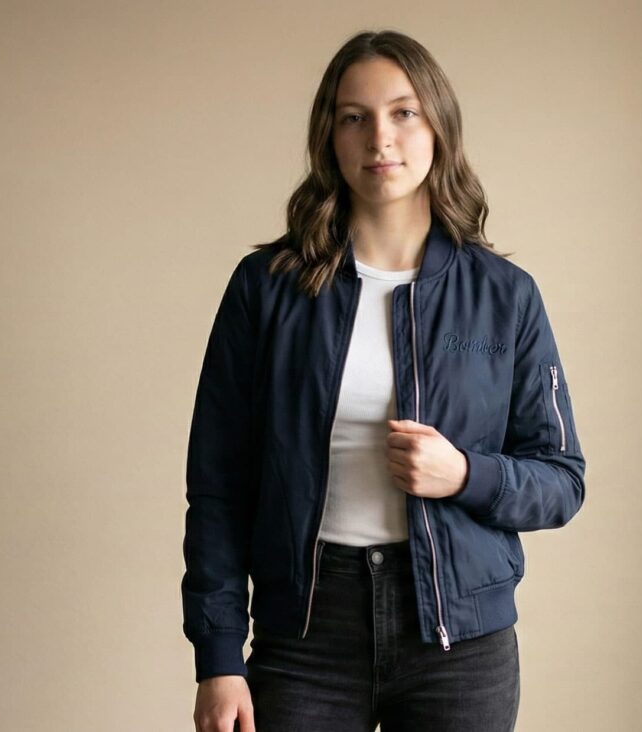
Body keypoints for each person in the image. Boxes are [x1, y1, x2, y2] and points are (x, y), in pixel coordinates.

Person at [182, 29, 586, 732]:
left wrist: (464, 473)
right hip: (306, 635)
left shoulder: (504, 296)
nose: (380, 139)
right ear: (329, 137)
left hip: (459, 645)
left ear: (438, 126)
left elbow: (561, 480)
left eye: (403, 112)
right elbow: (217, 485)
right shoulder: (267, 289)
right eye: (354, 116)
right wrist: (219, 655)